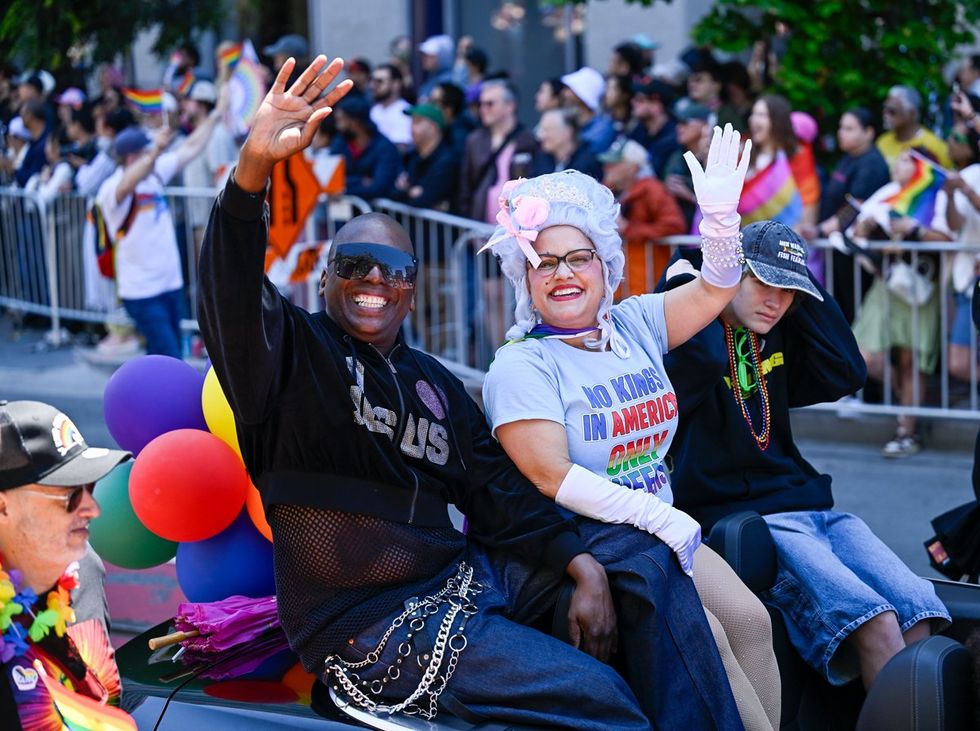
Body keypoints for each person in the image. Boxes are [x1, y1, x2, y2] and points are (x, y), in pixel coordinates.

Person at [198, 54, 742, 730]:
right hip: (370, 624)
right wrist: (253, 165)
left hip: (466, 580)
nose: (373, 277)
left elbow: (500, 491)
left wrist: (582, 567)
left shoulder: (434, 382)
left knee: (641, 562)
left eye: (392, 266)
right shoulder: (286, 358)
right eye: (352, 264)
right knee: (599, 696)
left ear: (411, 287)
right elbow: (228, 286)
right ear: (326, 278)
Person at [481, 131, 781, 731]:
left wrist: (720, 219)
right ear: (526, 278)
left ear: (605, 264)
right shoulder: (522, 364)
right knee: (713, 645)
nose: (561, 274)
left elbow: (718, 287)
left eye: (578, 257)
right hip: (604, 547)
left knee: (751, 624)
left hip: (665, 535)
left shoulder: (636, 322)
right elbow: (549, 475)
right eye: (543, 262)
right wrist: (661, 519)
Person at [657, 220, 951, 691]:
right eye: (763, 283)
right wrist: (698, 278)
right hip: (748, 515)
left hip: (812, 505)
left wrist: (799, 277)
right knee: (872, 620)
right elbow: (699, 366)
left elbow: (848, 370)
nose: (776, 301)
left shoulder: (777, 329)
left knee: (917, 611)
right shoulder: (688, 342)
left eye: (786, 290)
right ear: (726, 273)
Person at [0, 399, 132, 730]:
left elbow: (105, 700)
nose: (91, 508)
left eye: (88, 488)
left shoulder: (82, 566)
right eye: (67, 495)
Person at [95, 95, 225, 358]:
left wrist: (216, 113)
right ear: (132, 157)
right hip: (142, 291)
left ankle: (151, 399)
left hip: (169, 285)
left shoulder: (154, 174)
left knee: (161, 356)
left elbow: (190, 146)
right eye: (145, 151)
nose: (151, 155)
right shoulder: (110, 189)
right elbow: (126, 186)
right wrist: (155, 152)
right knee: (170, 355)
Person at [850, 150, 953, 456]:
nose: (898, 163)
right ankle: (907, 407)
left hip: (920, 287)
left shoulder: (937, 195)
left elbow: (948, 239)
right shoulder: (887, 193)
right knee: (862, 355)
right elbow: (855, 232)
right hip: (886, 283)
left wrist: (914, 229)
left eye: (907, 160)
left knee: (911, 362)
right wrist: (865, 228)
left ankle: (907, 431)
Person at [802, 108, 891, 323]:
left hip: (856, 255)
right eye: (841, 128)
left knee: (852, 313)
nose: (842, 133)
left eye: (849, 128)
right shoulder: (848, 158)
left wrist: (820, 230)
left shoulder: (871, 164)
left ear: (869, 132)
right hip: (839, 251)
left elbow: (854, 208)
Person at [600, 138, 687, 296]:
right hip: (623, 286)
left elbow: (674, 225)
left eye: (614, 163)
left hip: (648, 286)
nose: (607, 168)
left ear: (631, 166)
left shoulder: (653, 190)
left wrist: (630, 229)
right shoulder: (606, 193)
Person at [458, 79, 536, 223]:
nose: (483, 109)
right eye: (481, 104)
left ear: (509, 106)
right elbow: (466, 186)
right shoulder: (474, 140)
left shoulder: (528, 139)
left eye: (490, 104)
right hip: (481, 225)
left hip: (518, 226)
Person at [334, 96, 401, 200]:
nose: (337, 125)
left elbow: (379, 186)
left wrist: (344, 189)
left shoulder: (385, 147)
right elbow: (330, 179)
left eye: (341, 120)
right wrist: (360, 181)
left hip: (377, 213)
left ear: (355, 122)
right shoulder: (340, 142)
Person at [394, 103, 457, 210]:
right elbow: (392, 191)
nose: (411, 127)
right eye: (412, 121)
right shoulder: (411, 156)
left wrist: (405, 191)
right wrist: (409, 192)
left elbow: (426, 199)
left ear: (433, 127)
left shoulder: (447, 160)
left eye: (417, 122)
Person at [877, 86, 952, 170]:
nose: (885, 115)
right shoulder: (882, 142)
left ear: (911, 113)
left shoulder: (934, 145)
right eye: (885, 109)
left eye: (892, 111)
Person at [530, 106, 602, 180]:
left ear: (567, 132)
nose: (541, 135)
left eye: (547, 130)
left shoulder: (587, 163)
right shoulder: (541, 159)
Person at [627, 76, 678, 179]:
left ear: (657, 105)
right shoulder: (640, 129)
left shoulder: (674, 137)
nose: (633, 102)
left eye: (640, 100)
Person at [561, 67, 617, 156]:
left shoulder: (602, 129)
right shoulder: (574, 125)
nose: (564, 94)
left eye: (569, 89)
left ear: (581, 96)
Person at [369, 64, 412, 150]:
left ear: (396, 84)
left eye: (379, 81)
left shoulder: (405, 111)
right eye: (373, 81)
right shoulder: (374, 110)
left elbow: (401, 149)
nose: (373, 86)